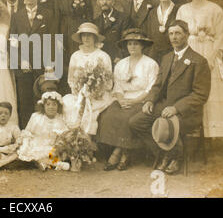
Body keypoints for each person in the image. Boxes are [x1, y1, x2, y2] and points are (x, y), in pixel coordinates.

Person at [128, 20, 211, 174]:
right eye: (171, 33)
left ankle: (176, 158)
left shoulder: (199, 61)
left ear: (186, 35)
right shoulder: (166, 58)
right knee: (136, 122)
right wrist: (150, 100)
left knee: (167, 123)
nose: (174, 37)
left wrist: (176, 108)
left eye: (178, 33)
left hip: (186, 112)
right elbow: (158, 85)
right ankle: (166, 153)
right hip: (164, 106)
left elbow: (200, 95)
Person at [175, 0, 223, 138]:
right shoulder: (183, 10)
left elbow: (221, 37)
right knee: (188, 88)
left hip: (209, 52)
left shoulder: (215, 9)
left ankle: (213, 134)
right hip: (189, 51)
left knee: (211, 89)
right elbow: (178, 34)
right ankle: (190, 133)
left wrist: (212, 58)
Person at [97, 28, 159, 171]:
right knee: (108, 115)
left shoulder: (151, 64)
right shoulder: (121, 64)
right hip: (123, 99)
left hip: (142, 100)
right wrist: (121, 100)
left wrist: (134, 101)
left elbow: (150, 89)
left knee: (127, 118)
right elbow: (117, 86)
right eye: (130, 44)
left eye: (136, 44)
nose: (132, 47)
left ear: (142, 46)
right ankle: (122, 151)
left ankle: (120, 153)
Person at [9, 0, 55, 129]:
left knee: (43, 100)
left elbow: (53, 40)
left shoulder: (48, 14)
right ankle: (26, 133)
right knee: (24, 102)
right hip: (23, 67)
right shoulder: (17, 16)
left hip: (42, 66)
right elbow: (13, 41)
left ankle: (43, 131)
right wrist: (20, 61)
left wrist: (50, 64)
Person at [65, 22, 113, 135]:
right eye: (83, 35)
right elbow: (71, 79)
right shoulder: (75, 56)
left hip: (98, 95)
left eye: (89, 35)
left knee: (89, 110)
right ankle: (72, 140)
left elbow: (108, 82)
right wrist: (78, 92)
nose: (86, 38)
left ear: (95, 38)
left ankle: (87, 141)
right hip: (78, 94)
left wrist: (94, 92)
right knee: (68, 105)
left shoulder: (103, 56)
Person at [54, 0, 93, 94]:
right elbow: (56, 18)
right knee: (66, 63)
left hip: (80, 32)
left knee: (81, 62)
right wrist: (58, 39)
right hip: (64, 31)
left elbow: (89, 17)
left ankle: (83, 91)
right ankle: (67, 93)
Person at [17, 91, 70, 171]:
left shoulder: (60, 119)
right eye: (48, 104)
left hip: (51, 148)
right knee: (29, 152)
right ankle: (55, 164)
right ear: (43, 106)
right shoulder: (36, 117)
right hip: (36, 144)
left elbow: (64, 136)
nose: (51, 107)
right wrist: (26, 144)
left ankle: (44, 163)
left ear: (58, 106)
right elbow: (27, 133)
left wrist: (59, 147)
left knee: (55, 154)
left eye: (54, 104)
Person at [145, 0, 179, 64]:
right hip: (155, 55)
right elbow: (149, 35)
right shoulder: (152, 13)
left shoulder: (178, 10)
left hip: (173, 53)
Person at [94, 0, 131, 66]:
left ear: (113, 2)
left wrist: (120, 56)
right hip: (100, 60)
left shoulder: (123, 18)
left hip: (117, 59)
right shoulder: (95, 21)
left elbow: (125, 40)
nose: (104, 2)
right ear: (98, 2)